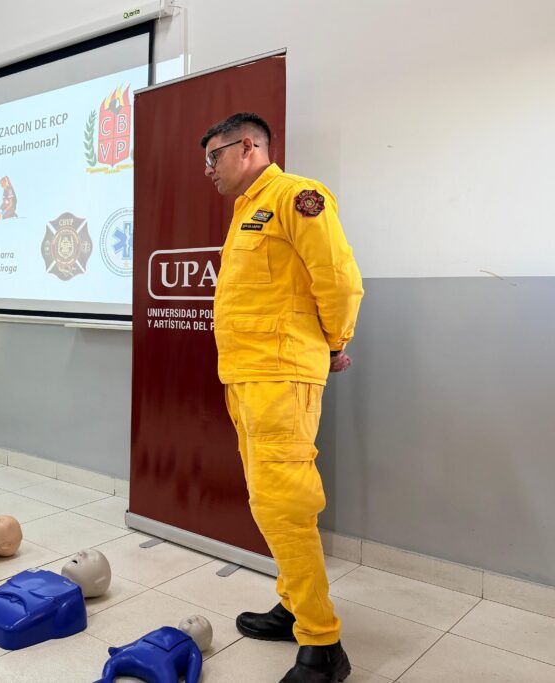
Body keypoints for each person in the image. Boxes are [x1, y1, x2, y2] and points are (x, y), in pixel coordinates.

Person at [201, 113, 363, 683]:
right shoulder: (247, 210)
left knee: (284, 505)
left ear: (247, 146)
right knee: (267, 501)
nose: (209, 169)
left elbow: (338, 279)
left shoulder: (298, 197)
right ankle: (295, 606)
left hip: (280, 376)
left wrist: (335, 342)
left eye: (214, 156)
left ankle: (323, 644)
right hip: (247, 376)